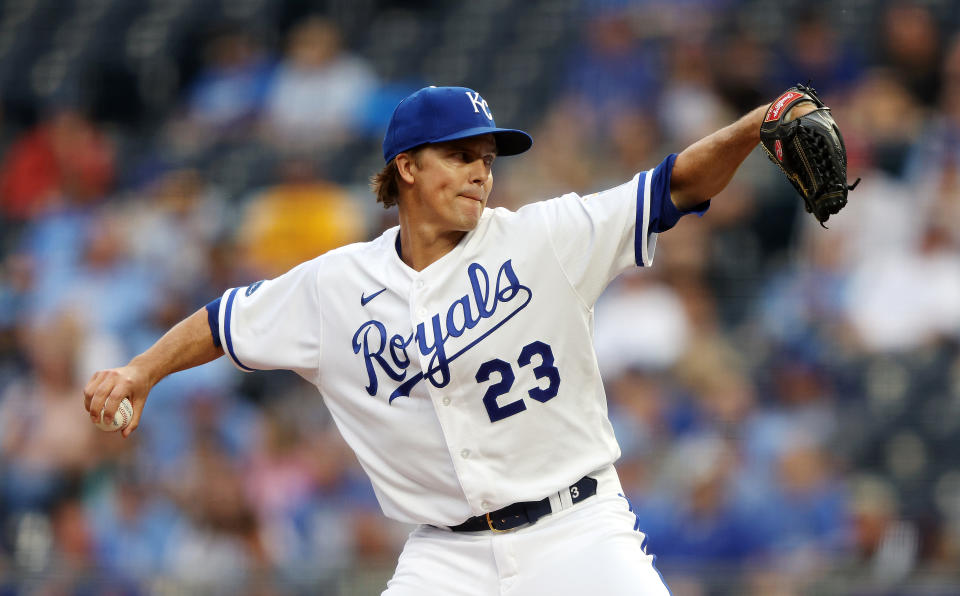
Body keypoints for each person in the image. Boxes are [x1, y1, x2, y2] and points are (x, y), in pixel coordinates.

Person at [84, 85, 807, 594]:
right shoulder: (335, 286)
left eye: (487, 158)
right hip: (445, 558)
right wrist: (142, 371)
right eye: (460, 156)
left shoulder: (542, 238)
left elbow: (672, 185)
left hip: (578, 529)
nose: (480, 172)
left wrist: (752, 127)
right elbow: (224, 322)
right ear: (406, 166)